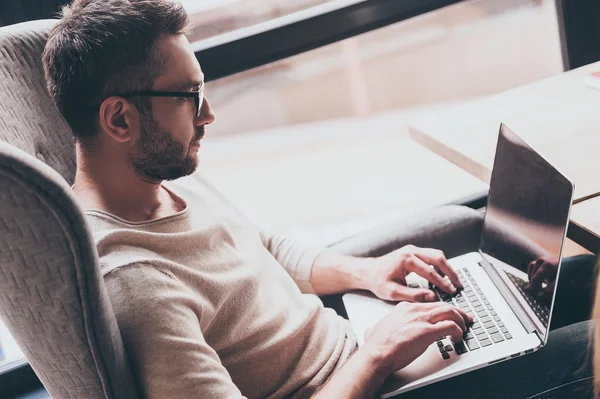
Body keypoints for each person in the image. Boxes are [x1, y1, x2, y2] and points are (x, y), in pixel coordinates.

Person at [41, 1, 596, 398]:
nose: (208, 115)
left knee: (586, 281)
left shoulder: (163, 177)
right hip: (369, 382)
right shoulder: (135, 284)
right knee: (592, 349)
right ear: (119, 118)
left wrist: (369, 273)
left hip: (363, 346)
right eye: (190, 97)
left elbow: (262, 247)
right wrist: (378, 355)